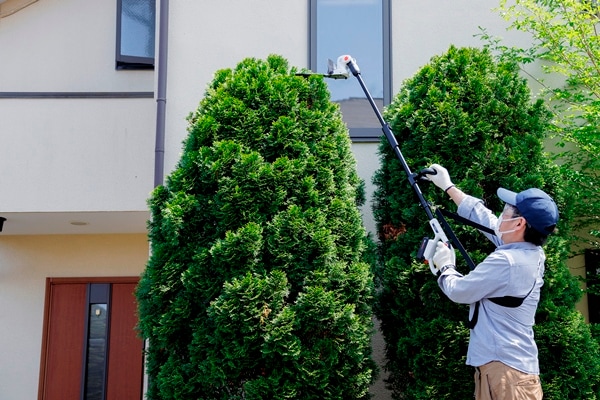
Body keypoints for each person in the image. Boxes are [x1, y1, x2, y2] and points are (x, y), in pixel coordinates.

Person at [425, 164, 559, 400]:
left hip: (507, 375)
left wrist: (446, 265)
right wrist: (448, 187)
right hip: (508, 370)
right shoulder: (528, 251)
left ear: (519, 224)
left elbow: (459, 291)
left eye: (507, 211)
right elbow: (486, 220)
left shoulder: (508, 261)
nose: (500, 215)